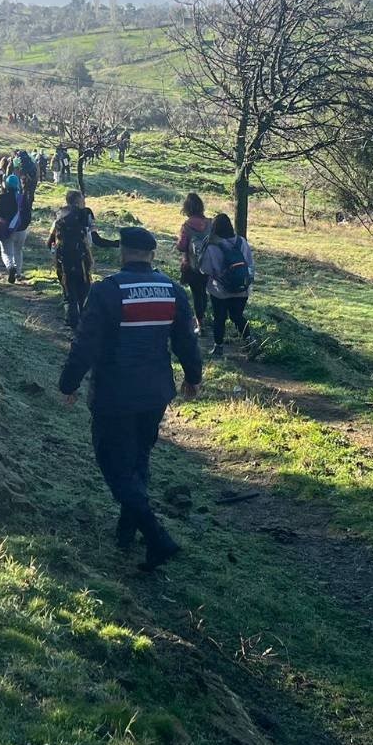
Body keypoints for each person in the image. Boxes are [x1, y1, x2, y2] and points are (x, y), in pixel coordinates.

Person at [58, 227, 202, 570]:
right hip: (155, 393)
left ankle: (156, 536)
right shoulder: (172, 290)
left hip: (114, 393)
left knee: (113, 464)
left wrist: (69, 383)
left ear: (123, 253)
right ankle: (127, 530)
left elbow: (86, 343)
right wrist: (193, 377)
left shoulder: (108, 291)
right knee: (138, 458)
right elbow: (186, 341)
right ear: (151, 255)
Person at [48, 189, 118, 327]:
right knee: (83, 292)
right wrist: (116, 243)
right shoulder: (85, 215)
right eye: (83, 199)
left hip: (63, 259)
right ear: (79, 201)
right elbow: (96, 240)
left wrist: (56, 254)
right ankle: (83, 324)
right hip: (82, 260)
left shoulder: (60, 215)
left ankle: (71, 321)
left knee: (69, 292)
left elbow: (49, 241)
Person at [198, 212, 255, 355]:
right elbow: (249, 263)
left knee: (219, 318)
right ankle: (250, 341)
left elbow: (205, 269)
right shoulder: (241, 242)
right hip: (241, 288)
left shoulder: (211, 246)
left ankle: (218, 347)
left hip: (219, 289)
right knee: (237, 316)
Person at [174, 193, 213, 330]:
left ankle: (200, 323)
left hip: (192, 265)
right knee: (204, 292)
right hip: (208, 264)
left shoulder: (187, 225)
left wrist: (178, 242)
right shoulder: (210, 223)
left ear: (187, 208)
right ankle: (204, 317)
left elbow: (182, 247)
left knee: (197, 294)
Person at [0, 173, 33, 283]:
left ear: (6, 185)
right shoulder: (23, 198)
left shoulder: (1, 198)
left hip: (6, 230)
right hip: (21, 230)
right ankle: (18, 273)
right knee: (18, 251)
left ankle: (10, 267)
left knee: (6, 252)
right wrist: (23, 227)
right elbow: (28, 216)